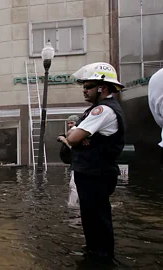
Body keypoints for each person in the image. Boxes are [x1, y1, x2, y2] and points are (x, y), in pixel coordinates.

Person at [66, 62, 126, 263]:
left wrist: (76, 135)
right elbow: (71, 134)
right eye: (83, 86)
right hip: (91, 172)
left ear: (103, 87)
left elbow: (72, 139)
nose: (84, 90)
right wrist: (75, 133)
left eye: (89, 86)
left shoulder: (103, 110)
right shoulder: (95, 110)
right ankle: (96, 253)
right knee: (91, 219)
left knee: (97, 220)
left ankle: (101, 259)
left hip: (96, 173)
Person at [57, 115, 80, 208]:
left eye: (72, 123)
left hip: (79, 163)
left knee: (74, 184)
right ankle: (73, 203)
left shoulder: (78, 135)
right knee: (74, 185)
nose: (70, 125)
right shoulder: (72, 133)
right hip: (74, 163)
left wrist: (64, 140)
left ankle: (72, 204)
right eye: (68, 123)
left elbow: (75, 149)